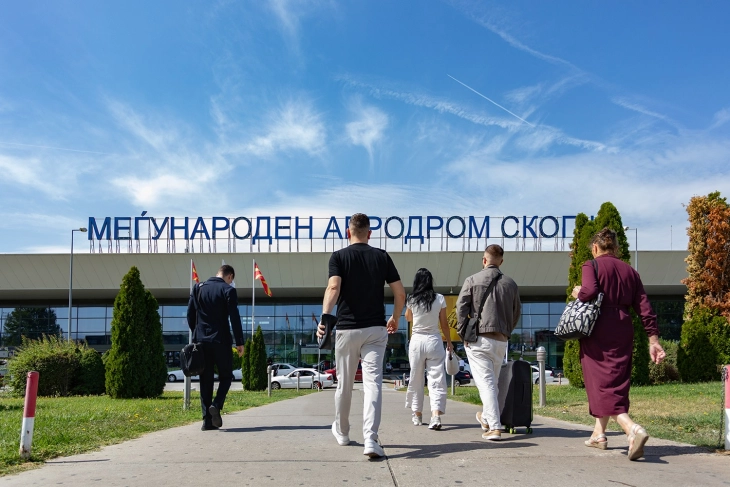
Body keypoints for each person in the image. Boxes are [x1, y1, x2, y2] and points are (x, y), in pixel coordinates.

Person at [571, 227, 666, 460]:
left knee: (600, 383)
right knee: (614, 380)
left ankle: (632, 429)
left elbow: (589, 292)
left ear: (595, 247)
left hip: (597, 328)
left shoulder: (590, 265)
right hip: (623, 328)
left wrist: (578, 294)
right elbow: (645, 308)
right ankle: (599, 434)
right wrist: (653, 340)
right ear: (616, 248)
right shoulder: (630, 272)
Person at [317, 213, 406, 458]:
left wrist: (325, 318)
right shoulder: (382, 256)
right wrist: (395, 317)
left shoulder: (338, 256)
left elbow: (333, 287)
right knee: (373, 383)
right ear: (370, 234)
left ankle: (343, 432)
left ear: (348, 233)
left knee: (344, 385)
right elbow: (400, 293)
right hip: (376, 330)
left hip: (346, 329)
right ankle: (371, 439)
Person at [456, 244, 521, 441]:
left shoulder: (472, 280)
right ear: (501, 261)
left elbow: (461, 308)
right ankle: (485, 417)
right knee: (492, 382)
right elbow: (516, 312)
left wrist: (463, 334)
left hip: (479, 339)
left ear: (484, 260)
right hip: (501, 340)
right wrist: (506, 331)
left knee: (487, 384)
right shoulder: (511, 284)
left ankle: (494, 427)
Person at [187, 264, 245, 431]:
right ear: (229, 276)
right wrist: (239, 342)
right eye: (231, 280)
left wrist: (197, 333)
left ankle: (207, 422)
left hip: (201, 342)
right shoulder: (228, 290)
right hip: (221, 341)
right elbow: (234, 317)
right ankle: (216, 404)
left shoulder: (198, 288)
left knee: (205, 380)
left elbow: (190, 314)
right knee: (226, 376)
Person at [405, 268, 453, 430]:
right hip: (434, 341)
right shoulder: (439, 298)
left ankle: (417, 415)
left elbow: (408, 317)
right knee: (437, 379)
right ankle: (435, 416)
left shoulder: (412, 299)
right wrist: (449, 343)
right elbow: (444, 324)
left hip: (417, 341)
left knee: (416, 378)